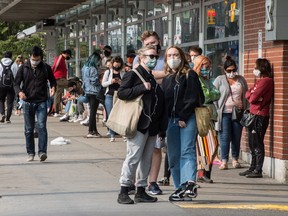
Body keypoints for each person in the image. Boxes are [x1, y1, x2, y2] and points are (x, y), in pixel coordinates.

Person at [117, 45, 166, 204]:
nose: (153, 59)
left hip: (151, 125)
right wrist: (140, 88)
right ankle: (124, 190)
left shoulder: (150, 76)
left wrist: (160, 128)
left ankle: (141, 190)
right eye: (150, 56)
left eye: (155, 57)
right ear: (142, 58)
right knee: (133, 157)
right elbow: (122, 93)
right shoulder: (134, 74)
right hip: (138, 123)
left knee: (146, 159)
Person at [161, 45, 204, 201]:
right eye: (169, 55)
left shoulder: (190, 75)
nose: (173, 58)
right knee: (173, 156)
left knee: (187, 150)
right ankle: (179, 187)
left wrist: (183, 117)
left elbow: (194, 97)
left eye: (175, 54)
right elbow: (164, 103)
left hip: (186, 118)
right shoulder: (167, 79)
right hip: (170, 121)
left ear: (182, 57)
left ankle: (189, 184)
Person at [133, 30, 166, 195]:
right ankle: (135, 182)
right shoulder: (139, 59)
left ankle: (152, 182)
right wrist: (165, 74)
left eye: (154, 43)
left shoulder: (167, 58)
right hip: (144, 109)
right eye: (148, 44)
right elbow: (143, 76)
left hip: (161, 107)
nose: (151, 46)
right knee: (138, 148)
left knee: (156, 147)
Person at [14, 46, 56, 162]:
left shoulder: (46, 68)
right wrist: (20, 93)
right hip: (28, 102)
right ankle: (30, 153)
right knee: (29, 129)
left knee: (42, 127)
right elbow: (16, 83)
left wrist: (53, 87)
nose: (35, 61)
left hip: (41, 101)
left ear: (41, 58)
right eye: (33, 59)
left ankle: (42, 152)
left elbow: (53, 80)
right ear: (30, 57)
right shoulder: (23, 68)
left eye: (37, 59)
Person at [239, 58, 273, 178]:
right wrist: (253, 94)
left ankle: (258, 169)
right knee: (252, 143)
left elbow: (252, 98)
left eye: (256, 67)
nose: (254, 70)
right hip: (253, 114)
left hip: (260, 116)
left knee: (257, 142)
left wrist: (253, 95)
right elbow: (248, 94)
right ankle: (252, 167)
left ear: (262, 68)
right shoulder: (259, 81)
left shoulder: (266, 81)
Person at [213, 56, 249, 170]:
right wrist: (216, 110)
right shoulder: (220, 79)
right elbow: (214, 96)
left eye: (234, 70)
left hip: (238, 112)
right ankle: (224, 161)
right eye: (229, 71)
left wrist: (245, 108)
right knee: (224, 137)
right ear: (224, 70)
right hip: (224, 113)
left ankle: (235, 159)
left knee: (236, 136)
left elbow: (246, 95)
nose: (232, 73)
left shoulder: (241, 80)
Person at [193, 55, 221, 183]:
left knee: (212, 145)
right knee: (206, 145)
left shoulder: (207, 80)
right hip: (202, 115)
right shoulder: (196, 78)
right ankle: (201, 172)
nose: (208, 69)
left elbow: (216, 93)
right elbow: (206, 95)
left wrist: (211, 93)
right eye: (206, 66)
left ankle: (205, 171)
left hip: (210, 115)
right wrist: (211, 93)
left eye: (209, 67)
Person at [102, 56, 125, 142]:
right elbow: (103, 84)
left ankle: (122, 133)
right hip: (109, 95)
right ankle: (112, 134)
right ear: (112, 63)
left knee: (120, 115)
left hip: (120, 96)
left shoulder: (123, 73)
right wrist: (110, 81)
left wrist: (120, 82)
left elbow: (126, 84)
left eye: (119, 62)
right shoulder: (108, 72)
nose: (117, 64)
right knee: (111, 115)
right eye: (116, 62)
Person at [81, 51, 102, 138]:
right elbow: (94, 81)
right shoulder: (93, 68)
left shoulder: (84, 67)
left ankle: (94, 130)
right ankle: (90, 130)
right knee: (93, 111)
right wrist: (100, 82)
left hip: (87, 91)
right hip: (94, 91)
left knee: (92, 110)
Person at [52, 49, 72, 117]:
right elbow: (55, 66)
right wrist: (51, 76)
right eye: (68, 55)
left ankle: (56, 111)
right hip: (59, 78)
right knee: (72, 86)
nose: (68, 56)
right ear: (66, 53)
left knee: (57, 95)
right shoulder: (60, 58)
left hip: (60, 78)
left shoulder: (63, 59)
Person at [0, 51, 19, 123]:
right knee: (10, 102)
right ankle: (8, 118)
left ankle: (2, 114)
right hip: (11, 86)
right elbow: (16, 76)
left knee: (1, 100)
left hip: (1, 85)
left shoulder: (0, 64)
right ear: (11, 56)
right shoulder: (14, 64)